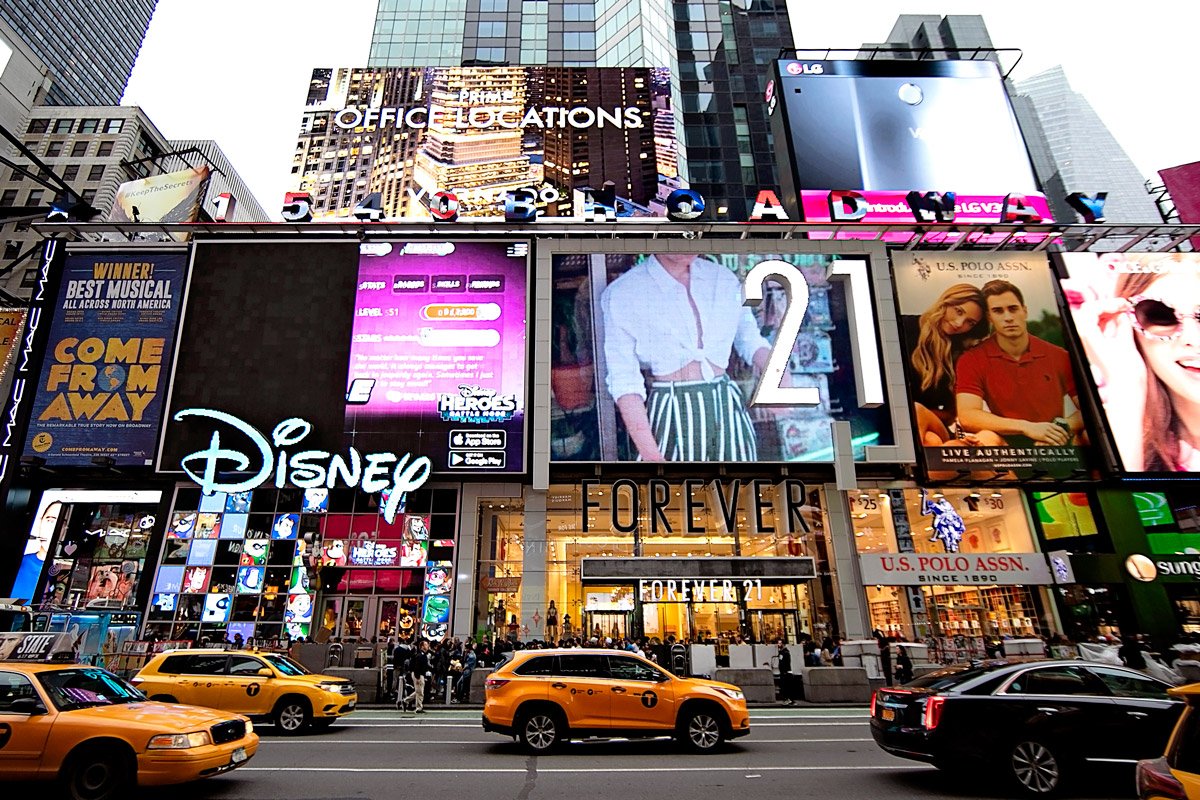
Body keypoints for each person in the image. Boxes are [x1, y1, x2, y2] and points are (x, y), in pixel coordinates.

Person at [599, 252, 777, 462]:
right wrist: (652, 457)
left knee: (741, 491)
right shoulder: (624, 293)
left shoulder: (722, 278)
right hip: (672, 413)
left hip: (728, 409)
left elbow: (750, 340)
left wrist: (779, 375)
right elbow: (624, 382)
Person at [1071, 256, 1200, 470]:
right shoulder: (1111, 434)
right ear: (1129, 328)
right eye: (1161, 316)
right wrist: (1127, 388)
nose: (1192, 339)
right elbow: (1120, 502)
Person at [955, 280, 1083, 448]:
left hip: (1055, 440)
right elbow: (968, 416)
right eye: (998, 311)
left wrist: (1060, 428)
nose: (1008, 318)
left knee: (1089, 436)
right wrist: (1026, 427)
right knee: (985, 438)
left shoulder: (1058, 355)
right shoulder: (972, 359)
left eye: (1013, 309)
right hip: (1008, 444)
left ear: (1025, 311)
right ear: (989, 317)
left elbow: (1089, 408)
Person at [906, 283, 987, 446]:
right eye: (958, 311)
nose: (959, 323)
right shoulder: (905, 327)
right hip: (899, 424)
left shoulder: (960, 352)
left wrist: (924, 414)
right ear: (946, 301)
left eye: (969, 322)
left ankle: (905, 465)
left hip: (932, 423)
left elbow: (952, 413)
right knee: (931, 441)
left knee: (916, 411)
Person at [410, 639, 430, 713]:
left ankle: (405, 701)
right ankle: (419, 707)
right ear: (421, 647)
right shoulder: (420, 655)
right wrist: (418, 677)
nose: (427, 646)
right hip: (418, 674)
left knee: (418, 691)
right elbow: (417, 666)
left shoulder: (422, 655)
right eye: (426, 645)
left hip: (419, 674)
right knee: (420, 692)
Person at [774, 640, 794, 706]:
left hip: (786, 672)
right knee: (784, 686)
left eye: (780, 643)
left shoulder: (785, 652)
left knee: (786, 686)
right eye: (778, 643)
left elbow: (786, 663)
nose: (778, 645)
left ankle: (789, 699)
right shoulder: (782, 652)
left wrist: (785, 671)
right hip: (783, 672)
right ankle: (788, 699)